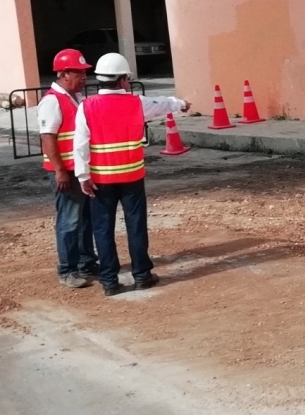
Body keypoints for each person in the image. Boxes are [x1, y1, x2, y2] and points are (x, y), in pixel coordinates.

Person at [73, 53, 192, 296]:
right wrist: (181, 104)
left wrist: (83, 176)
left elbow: (80, 145)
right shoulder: (136, 103)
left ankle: (109, 281)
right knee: (136, 226)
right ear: (122, 80)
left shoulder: (86, 106)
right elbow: (161, 104)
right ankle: (142, 275)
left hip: (100, 180)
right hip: (131, 178)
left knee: (103, 230)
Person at [37, 49, 98, 289]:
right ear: (63, 74)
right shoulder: (53, 101)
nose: (84, 77)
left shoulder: (76, 98)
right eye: (79, 72)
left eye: (84, 72)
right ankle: (68, 270)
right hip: (66, 172)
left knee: (85, 220)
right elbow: (48, 137)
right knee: (69, 222)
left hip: (79, 170)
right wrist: (59, 170)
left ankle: (86, 262)